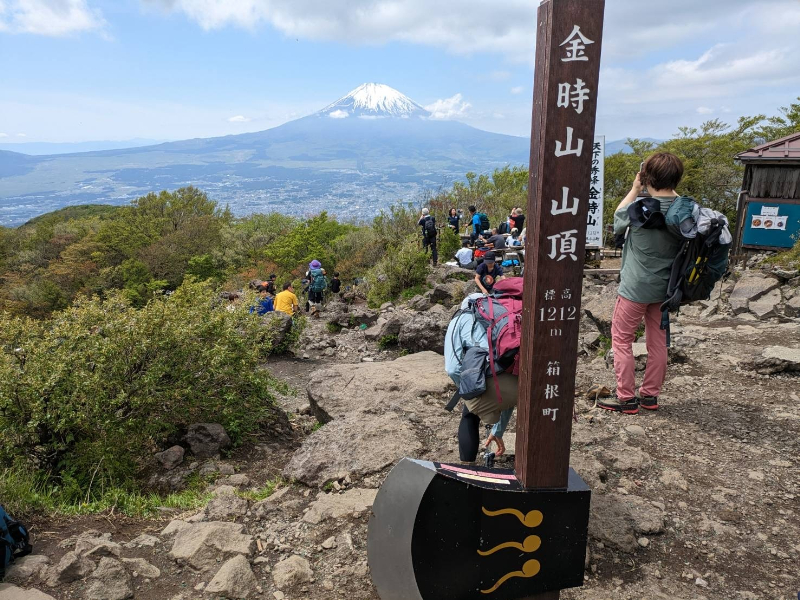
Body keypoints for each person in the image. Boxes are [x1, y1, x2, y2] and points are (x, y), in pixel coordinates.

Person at [598, 152, 686, 415]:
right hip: (666, 289)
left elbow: (618, 216)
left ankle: (625, 398)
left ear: (646, 177)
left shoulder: (640, 208)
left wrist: (636, 189)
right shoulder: (685, 210)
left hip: (635, 289)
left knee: (622, 340)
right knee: (658, 343)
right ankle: (649, 396)